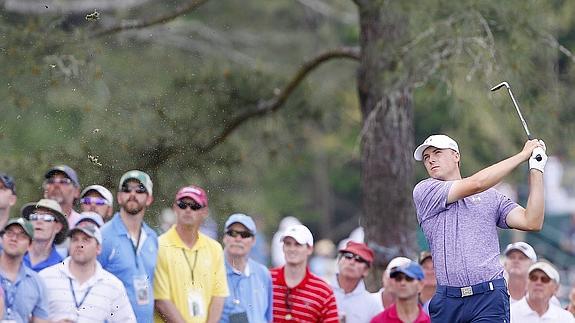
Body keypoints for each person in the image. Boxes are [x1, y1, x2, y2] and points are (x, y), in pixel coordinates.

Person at [413, 134, 547, 322]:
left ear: (456, 156)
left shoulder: (491, 197)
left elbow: (532, 221)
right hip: (448, 300)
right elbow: (476, 184)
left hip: (489, 298)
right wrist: (522, 155)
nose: (431, 160)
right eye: (426, 158)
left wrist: (536, 169)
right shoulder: (425, 191)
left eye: (437, 153)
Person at [154, 185, 229, 323]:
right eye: (182, 205)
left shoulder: (214, 248)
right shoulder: (159, 245)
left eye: (194, 206)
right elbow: (161, 300)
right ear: (175, 208)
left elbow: (218, 295)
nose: (188, 210)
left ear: (204, 211)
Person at [39, 219, 136, 322]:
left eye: (86, 240)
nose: (79, 245)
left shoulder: (113, 286)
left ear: (98, 248)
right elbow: (27, 317)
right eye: (75, 239)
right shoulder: (46, 277)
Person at [99, 170, 158, 323]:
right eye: (127, 189)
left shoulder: (152, 238)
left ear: (149, 199)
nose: (132, 194)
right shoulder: (103, 236)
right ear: (119, 197)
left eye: (140, 190)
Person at [270, 224, 339, 322]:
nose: (292, 249)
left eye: (298, 244)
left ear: (310, 249)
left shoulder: (323, 291)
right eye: (288, 244)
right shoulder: (267, 279)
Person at [220, 213, 272, 323]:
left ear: (253, 240)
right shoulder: (213, 270)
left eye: (244, 234)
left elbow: (268, 316)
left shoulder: (263, 273)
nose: (238, 239)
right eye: (232, 233)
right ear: (225, 237)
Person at [0, 218, 49, 322]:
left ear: (30, 245)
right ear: (2, 238)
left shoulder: (36, 282)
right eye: (9, 233)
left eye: (22, 236)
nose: (14, 238)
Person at [331, 241, 382, 323]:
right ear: (339, 261)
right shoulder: (321, 291)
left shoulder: (372, 304)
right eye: (348, 257)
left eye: (359, 259)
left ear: (366, 270)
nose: (352, 262)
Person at [510, 261, 575, 322]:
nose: (538, 282)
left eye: (545, 279)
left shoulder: (566, 319)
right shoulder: (509, 313)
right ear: (527, 283)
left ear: (556, 288)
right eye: (533, 278)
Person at [21, 199, 69, 272]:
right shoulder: (13, 253)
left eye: (47, 218)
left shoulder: (61, 267)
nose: (39, 221)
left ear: (58, 227)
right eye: (34, 217)